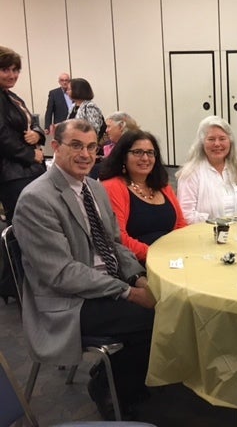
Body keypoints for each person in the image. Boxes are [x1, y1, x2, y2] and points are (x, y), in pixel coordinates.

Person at [12, 119, 156, 420]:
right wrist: (127, 292)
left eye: (91, 147)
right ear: (55, 147)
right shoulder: (37, 199)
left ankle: (121, 376)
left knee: (167, 302)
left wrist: (137, 277)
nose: (86, 154)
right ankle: (106, 386)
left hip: (104, 283)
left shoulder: (93, 187)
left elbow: (115, 243)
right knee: (155, 318)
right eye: (76, 145)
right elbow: (61, 274)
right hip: (67, 302)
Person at [100, 130, 187, 263]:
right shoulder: (112, 187)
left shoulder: (163, 187)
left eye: (150, 153)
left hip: (172, 258)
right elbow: (119, 238)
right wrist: (155, 255)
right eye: (137, 152)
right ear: (124, 157)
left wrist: (179, 253)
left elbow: (181, 225)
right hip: (135, 264)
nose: (145, 158)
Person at [176, 115, 237, 223]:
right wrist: (218, 224)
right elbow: (185, 215)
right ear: (202, 143)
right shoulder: (191, 172)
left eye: (222, 139)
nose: (217, 144)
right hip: (205, 235)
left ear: (230, 142)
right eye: (211, 139)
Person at [0, 46, 46, 223]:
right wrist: (30, 154)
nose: (12, 75)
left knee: (40, 219)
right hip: (13, 173)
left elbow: (32, 121)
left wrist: (37, 134)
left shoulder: (12, 96)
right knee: (26, 223)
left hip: (28, 169)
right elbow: (2, 136)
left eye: (15, 70)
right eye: (5, 70)